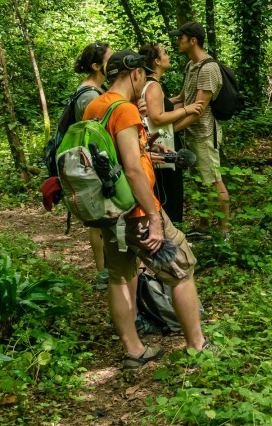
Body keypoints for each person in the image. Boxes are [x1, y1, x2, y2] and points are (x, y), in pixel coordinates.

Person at [82, 49, 207, 367]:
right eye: (143, 77)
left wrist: (146, 150)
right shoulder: (123, 109)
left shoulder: (95, 107)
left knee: (119, 277)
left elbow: (114, 159)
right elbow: (133, 172)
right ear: (135, 74)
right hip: (137, 212)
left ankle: (134, 351)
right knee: (181, 269)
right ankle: (197, 346)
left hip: (110, 212)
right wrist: (153, 216)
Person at [171, 22, 228, 236]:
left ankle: (224, 232)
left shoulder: (209, 68)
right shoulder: (191, 66)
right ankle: (204, 227)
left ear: (193, 40)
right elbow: (183, 99)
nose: (177, 41)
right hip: (192, 134)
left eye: (181, 37)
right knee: (199, 183)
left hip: (205, 134)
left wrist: (173, 128)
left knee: (214, 181)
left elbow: (198, 110)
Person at [70, 42, 112, 290]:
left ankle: (106, 269)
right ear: (97, 66)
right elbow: (95, 132)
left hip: (95, 160)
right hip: (92, 162)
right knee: (97, 221)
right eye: (109, 58)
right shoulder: (88, 95)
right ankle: (102, 271)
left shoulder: (96, 89)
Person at [139, 42, 190, 225]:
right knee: (169, 196)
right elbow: (157, 117)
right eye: (165, 53)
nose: (168, 56)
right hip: (161, 148)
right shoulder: (153, 86)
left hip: (155, 147)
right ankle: (171, 240)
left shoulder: (149, 84)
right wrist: (187, 110)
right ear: (157, 61)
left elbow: (160, 105)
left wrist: (177, 99)